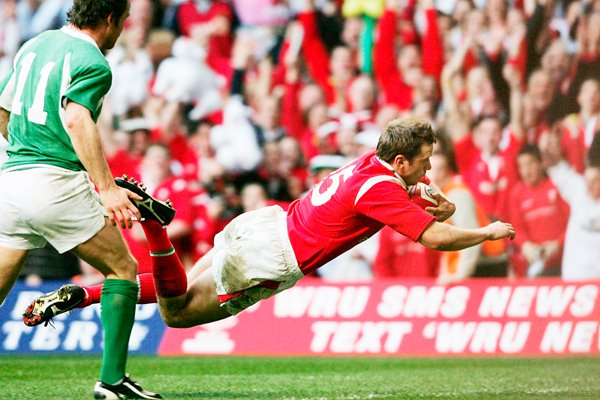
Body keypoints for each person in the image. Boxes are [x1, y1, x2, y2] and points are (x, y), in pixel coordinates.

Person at [25, 118, 515, 333]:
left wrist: (431, 198)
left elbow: (421, 204)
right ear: (403, 159)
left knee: (187, 285)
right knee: (177, 313)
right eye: (424, 162)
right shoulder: (384, 189)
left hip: (262, 223)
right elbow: (439, 238)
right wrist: (487, 232)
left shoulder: (373, 164)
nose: (429, 171)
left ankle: (86, 295)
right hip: (275, 257)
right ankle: (155, 228)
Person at [0, 1, 172, 398]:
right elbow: (77, 118)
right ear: (110, 18)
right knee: (122, 269)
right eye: (124, 20)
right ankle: (112, 382)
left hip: (11, 182)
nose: (124, 28)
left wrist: (27, 150)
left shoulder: (36, 44)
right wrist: (108, 188)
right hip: (55, 183)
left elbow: (3, 109)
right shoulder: (93, 61)